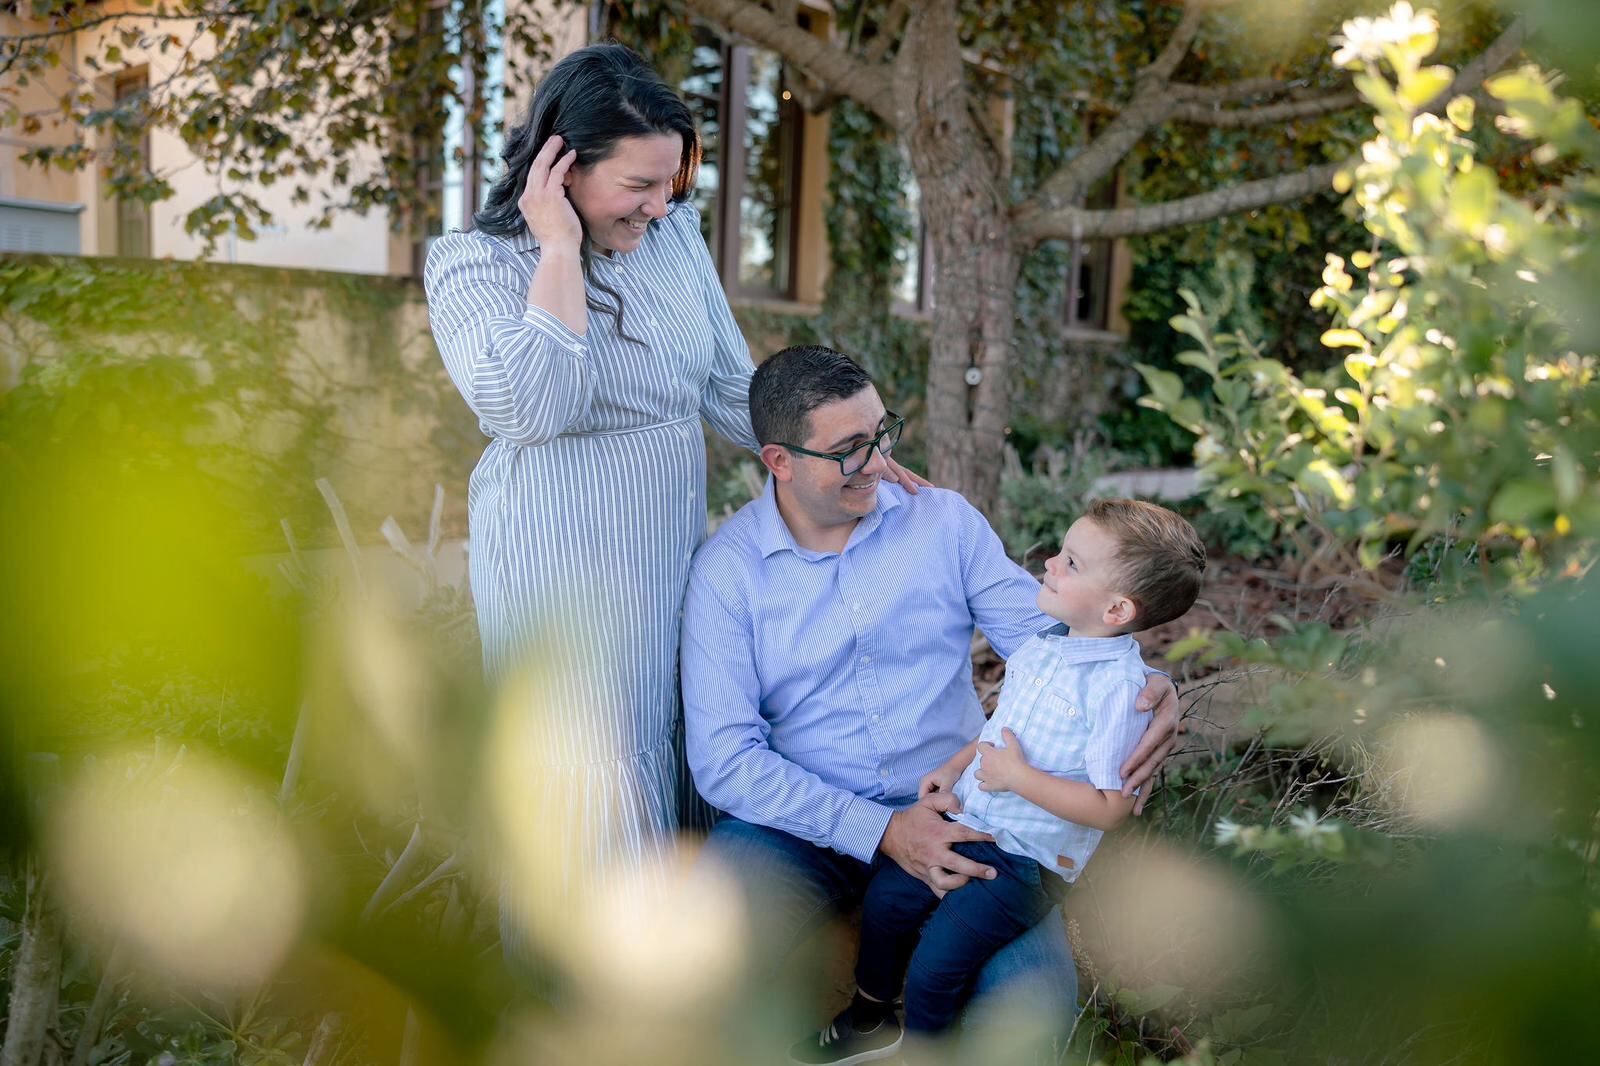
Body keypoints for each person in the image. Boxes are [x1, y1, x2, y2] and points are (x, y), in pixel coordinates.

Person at [424, 44, 926, 961]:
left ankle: (672, 983)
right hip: (557, 559)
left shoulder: (673, 240)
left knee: (670, 729)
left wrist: (846, 456)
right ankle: (576, 991)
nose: (660, 205)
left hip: (662, 546)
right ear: (560, 166)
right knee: (588, 761)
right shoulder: (471, 264)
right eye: (639, 185)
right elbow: (531, 408)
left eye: (672, 183)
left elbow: (733, 388)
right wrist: (558, 250)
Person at [681, 346, 1185, 1053]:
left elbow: (1049, 638)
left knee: (1031, 1017)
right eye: (849, 450)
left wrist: (1147, 685)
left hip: (969, 811)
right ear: (779, 461)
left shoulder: (942, 523)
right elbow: (727, 760)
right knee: (697, 972)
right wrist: (882, 830)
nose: (879, 463)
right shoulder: (727, 573)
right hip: (797, 825)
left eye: (882, 433)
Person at [789, 498, 1206, 1064]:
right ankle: (871, 1016)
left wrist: (1019, 778)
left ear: (1116, 609)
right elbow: (1003, 728)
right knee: (887, 901)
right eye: (1061, 551)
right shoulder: (1042, 648)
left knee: (936, 967)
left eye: (1072, 563)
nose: (1050, 563)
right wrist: (954, 767)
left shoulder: (1118, 694)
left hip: (1023, 864)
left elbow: (1111, 808)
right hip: (974, 822)